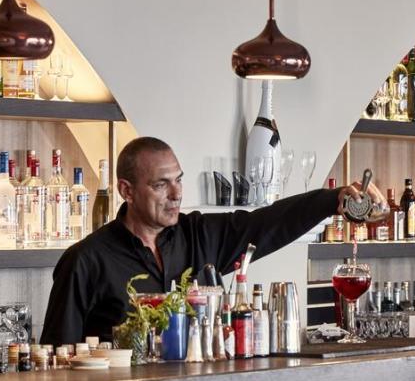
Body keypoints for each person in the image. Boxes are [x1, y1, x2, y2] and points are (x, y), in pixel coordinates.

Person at [40, 137, 383, 346]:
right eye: (161, 185)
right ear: (126, 191)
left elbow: (267, 223)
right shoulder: (85, 260)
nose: (176, 194)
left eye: (178, 180)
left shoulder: (199, 235)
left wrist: (333, 199)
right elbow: (56, 357)